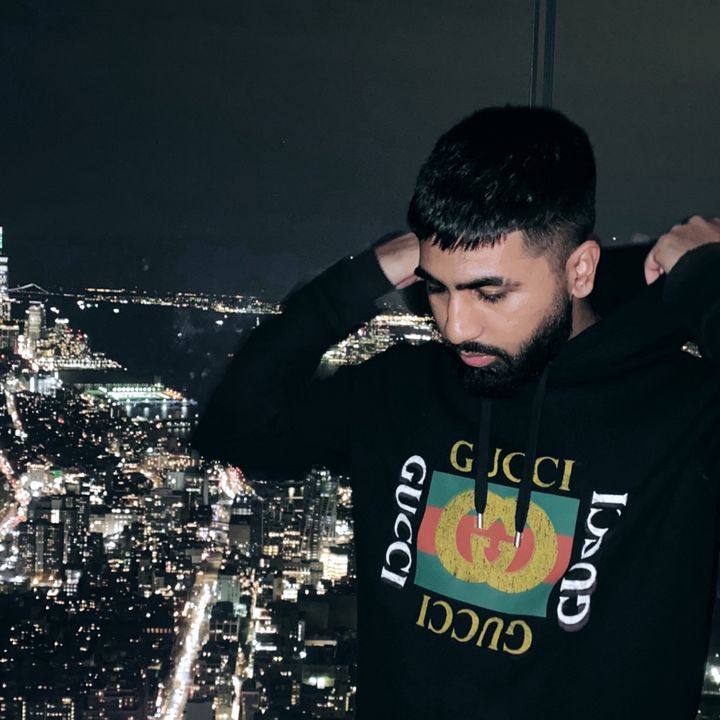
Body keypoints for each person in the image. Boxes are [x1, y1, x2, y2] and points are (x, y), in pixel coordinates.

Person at [191, 106, 720, 719]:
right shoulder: (404, 388)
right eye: (437, 288)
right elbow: (239, 428)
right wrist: (359, 279)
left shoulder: (681, 413)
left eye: (490, 293)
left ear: (579, 270)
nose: (456, 325)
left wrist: (706, 278)